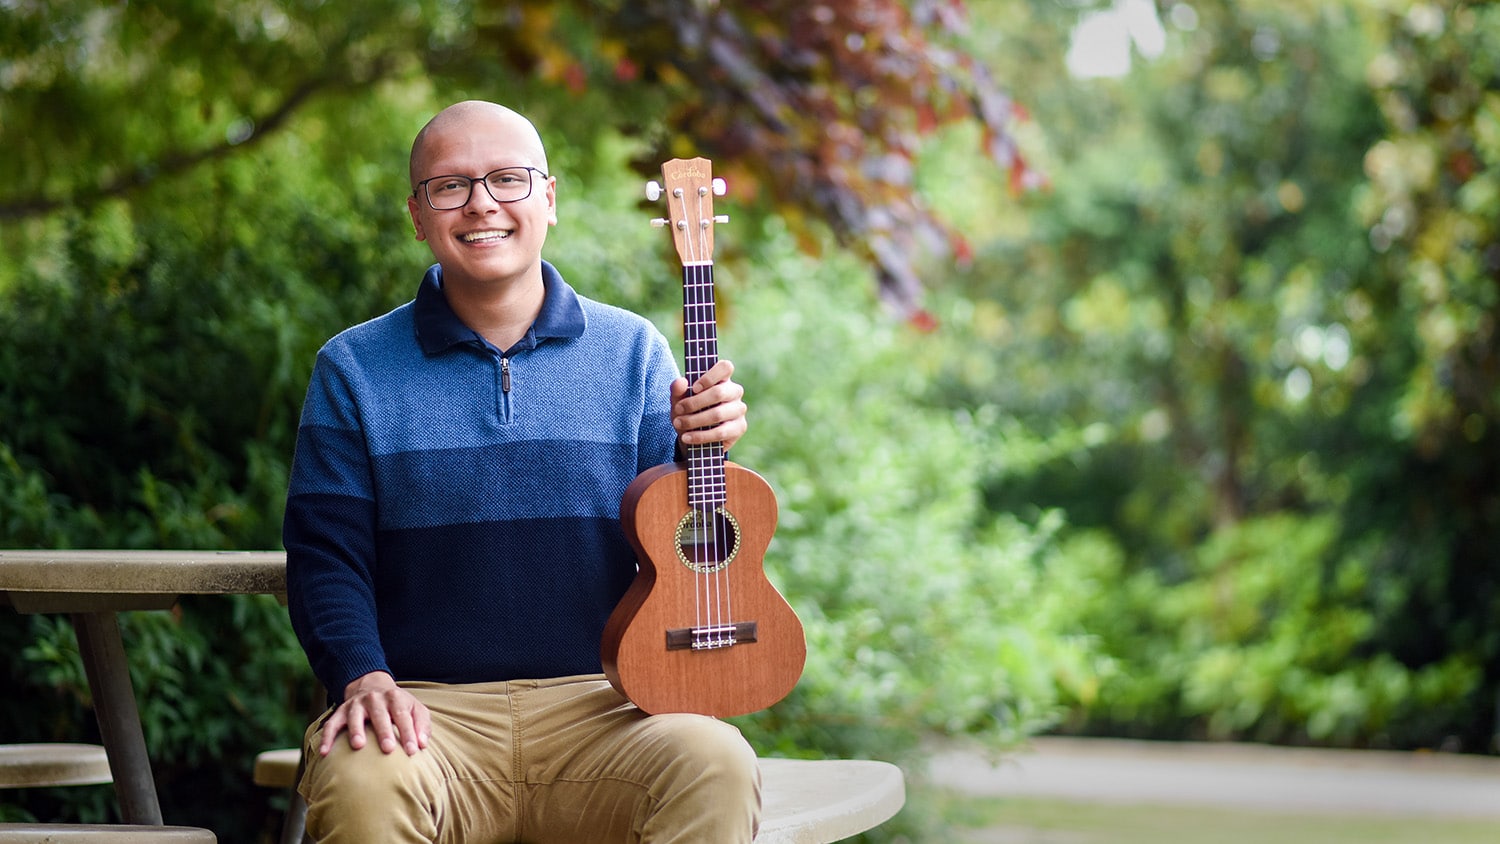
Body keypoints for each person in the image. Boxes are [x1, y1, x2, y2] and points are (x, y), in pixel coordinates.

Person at [282, 99, 761, 843]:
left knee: (716, 762)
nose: (481, 204)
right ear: (417, 215)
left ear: (550, 198)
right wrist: (362, 675)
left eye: (508, 178)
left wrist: (706, 453)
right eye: (450, 186)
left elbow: (682, 554)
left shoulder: (633, 353)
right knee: (360, 777)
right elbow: (326, 555)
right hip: (427, 717)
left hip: (606, 708)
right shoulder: (353, 368)